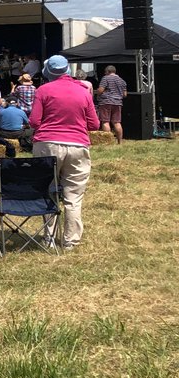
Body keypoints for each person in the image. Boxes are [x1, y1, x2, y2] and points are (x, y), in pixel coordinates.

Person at [30, 54, 99, 250]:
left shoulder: (43, 90)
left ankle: (49, 237)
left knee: (47, 190)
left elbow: (34, 122)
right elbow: (94, 124)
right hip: (77, 144)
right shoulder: (83, 91)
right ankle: (70, 240)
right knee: (74, 195)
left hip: (47, 143)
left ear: (47, 72)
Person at [95, 65, 128, 145]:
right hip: (118, 103)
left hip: (106, 102)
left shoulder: (105, 78)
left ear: (107, 72)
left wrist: (96, 93)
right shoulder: (121, 80)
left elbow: (101, 90)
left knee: (105, 121)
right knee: (117, 122)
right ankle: (120, 142)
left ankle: (108, 142)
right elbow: (125, 94)